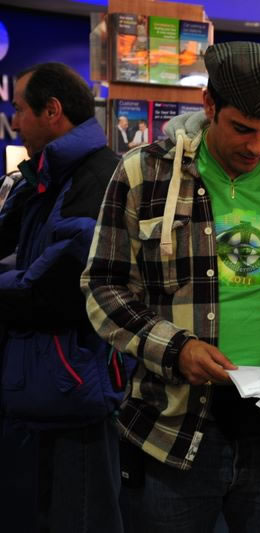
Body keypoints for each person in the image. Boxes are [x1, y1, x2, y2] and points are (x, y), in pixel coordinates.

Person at [81, 42, 260, 533]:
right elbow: (103, 285)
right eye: (242, 129)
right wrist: (175, 348)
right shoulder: (144, 173)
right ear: (209, 105)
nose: (257, 147)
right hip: (171, 428)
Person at [1, 62, 124, 532]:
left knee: (81, 517)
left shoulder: (97, 179)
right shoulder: (44, 176)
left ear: (52, 111)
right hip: (40, 386)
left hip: (75, 391)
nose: (15, 122)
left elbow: (61, 292)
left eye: (20, 110)